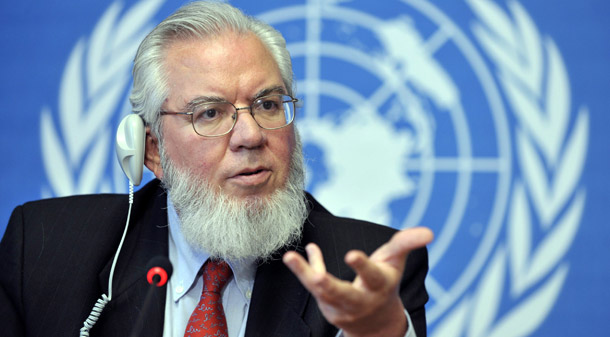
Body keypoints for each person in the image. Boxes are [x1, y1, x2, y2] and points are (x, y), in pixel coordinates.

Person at [0, 2, 433, 337]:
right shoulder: (44, 250)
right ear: (152, 151)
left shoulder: (363, 272)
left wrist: (382, 330)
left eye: (267, 104)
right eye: (209, 113)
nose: (249, 135)